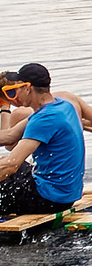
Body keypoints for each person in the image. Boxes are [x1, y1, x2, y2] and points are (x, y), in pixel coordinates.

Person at [0, 64, 85, 218]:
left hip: (49, 199)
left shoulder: (44, 119)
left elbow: (12, 165)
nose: (16, 96)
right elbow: (10, 136)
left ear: (27, 88)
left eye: (16, 90)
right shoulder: (63, 106)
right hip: (66, 193)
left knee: (6, 168)